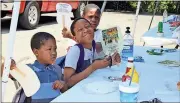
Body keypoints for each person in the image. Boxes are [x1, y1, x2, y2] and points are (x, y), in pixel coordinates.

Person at [63, 18, 121, 88]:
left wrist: (112, 58)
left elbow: (109, 50)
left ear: (93, 29)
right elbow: (68, 82)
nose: (85, 30)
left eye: (87, 26)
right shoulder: (75, 51)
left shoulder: (93, 45)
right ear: (75, 39)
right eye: (80, 30)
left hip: (87, 85)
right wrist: (93, 67)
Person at [28, 32, 68, 102]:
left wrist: (62, 85)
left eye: (55, 49)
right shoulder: (30, 70)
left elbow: (65, 90)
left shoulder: (57, 69)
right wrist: (10, 65)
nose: (53, 52)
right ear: (36, 52)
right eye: (49, 49)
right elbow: (8, 72)